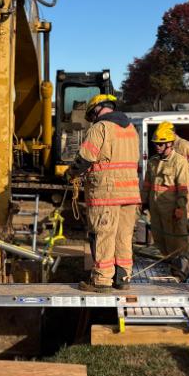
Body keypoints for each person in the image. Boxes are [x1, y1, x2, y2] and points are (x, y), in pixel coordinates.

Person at [65, 94, 140, 292]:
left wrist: (71, 173)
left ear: (96, 110)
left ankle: (102, 280)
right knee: (123, 237)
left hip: (107, 192)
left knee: (103, 235)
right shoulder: (132, 129)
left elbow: (85, 158)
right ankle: (123, 277)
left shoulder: (100, 128)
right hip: (130, 193)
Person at [142, 122, 189, 279]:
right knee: (160, 240)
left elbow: (183, 187)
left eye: (161, 144)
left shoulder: (179, 162)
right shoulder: (152, 162)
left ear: (170, 144)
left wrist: (180, 207)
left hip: (172, 211)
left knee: (176, 243)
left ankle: (182, 272)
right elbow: (147, 185)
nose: (157, 146)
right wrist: (143, 202)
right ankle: (168, 269)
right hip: (156, 210)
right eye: (156, 144)